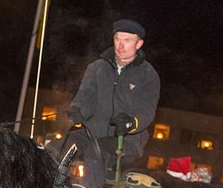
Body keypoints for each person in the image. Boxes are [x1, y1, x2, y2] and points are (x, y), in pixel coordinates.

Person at [67, 18, 160, 176]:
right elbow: (87, 96)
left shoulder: (148, 75)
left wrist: (132, 122)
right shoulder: (97, 68)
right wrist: (79, 110)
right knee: (58, 147)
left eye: (127, 40)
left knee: (95, 151)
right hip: (92, 134)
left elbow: (147, 110)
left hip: (126, 141)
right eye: (117, 39)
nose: (120, 45)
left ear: (139, 44)